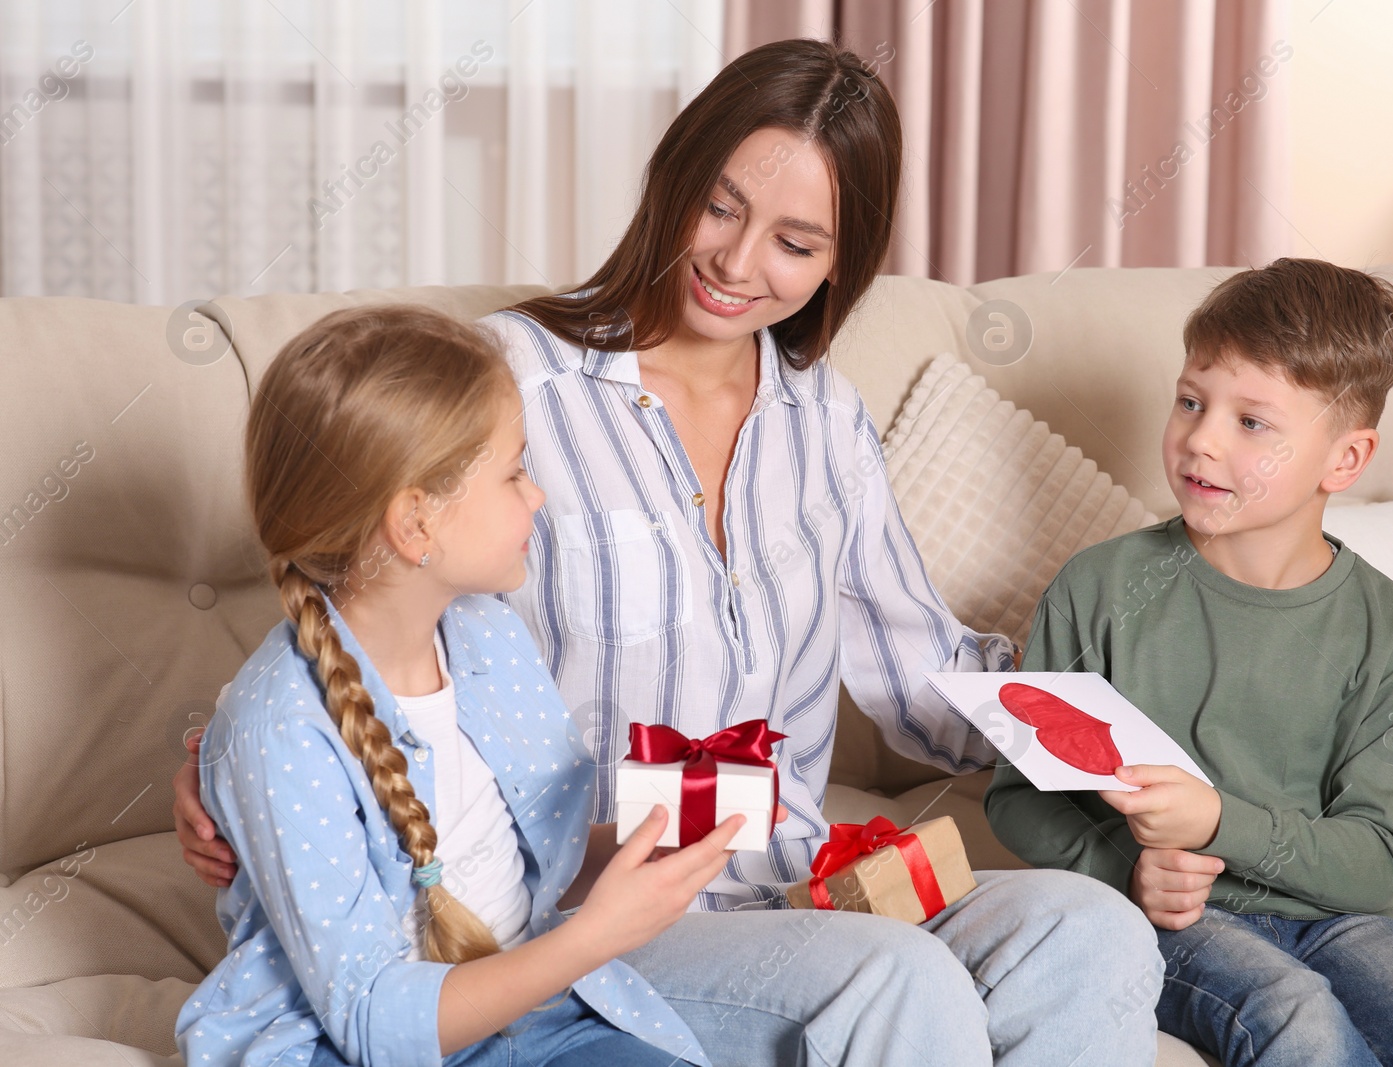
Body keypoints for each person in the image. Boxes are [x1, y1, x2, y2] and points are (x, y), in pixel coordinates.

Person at [176, 38, 1163, 1067]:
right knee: (890, 977)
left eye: (795, 241)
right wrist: (210, 758)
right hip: (609, 904)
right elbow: (357, 588)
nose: (739, 264)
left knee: (1087, 931)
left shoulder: (826, 421)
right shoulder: (514, 382)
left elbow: (928, 675)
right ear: (673, 179)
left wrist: (1131, 739)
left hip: (800, 877)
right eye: (722, 206)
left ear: (841, 261)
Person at [984, 258, 1393, 1066]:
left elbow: (1375, 858)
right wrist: (1128, 867)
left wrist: (1218, 820)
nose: (1201, 439)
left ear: (1344, 461)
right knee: (1300, 1023)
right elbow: (1017, 795)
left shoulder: (1386, 626)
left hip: (1348, 915)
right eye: (1190, 401)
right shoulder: (1098, 588)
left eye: (1252, 422)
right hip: (1184, 918)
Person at [176, 304, 751, 1067]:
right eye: (514, 471)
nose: (537, 496)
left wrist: (649, 841)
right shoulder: (278, 727)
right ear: (415, 524)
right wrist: (595, 934)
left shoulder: (488, 635)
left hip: (533, 1011)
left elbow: (526, 863)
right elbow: (374, 1022)